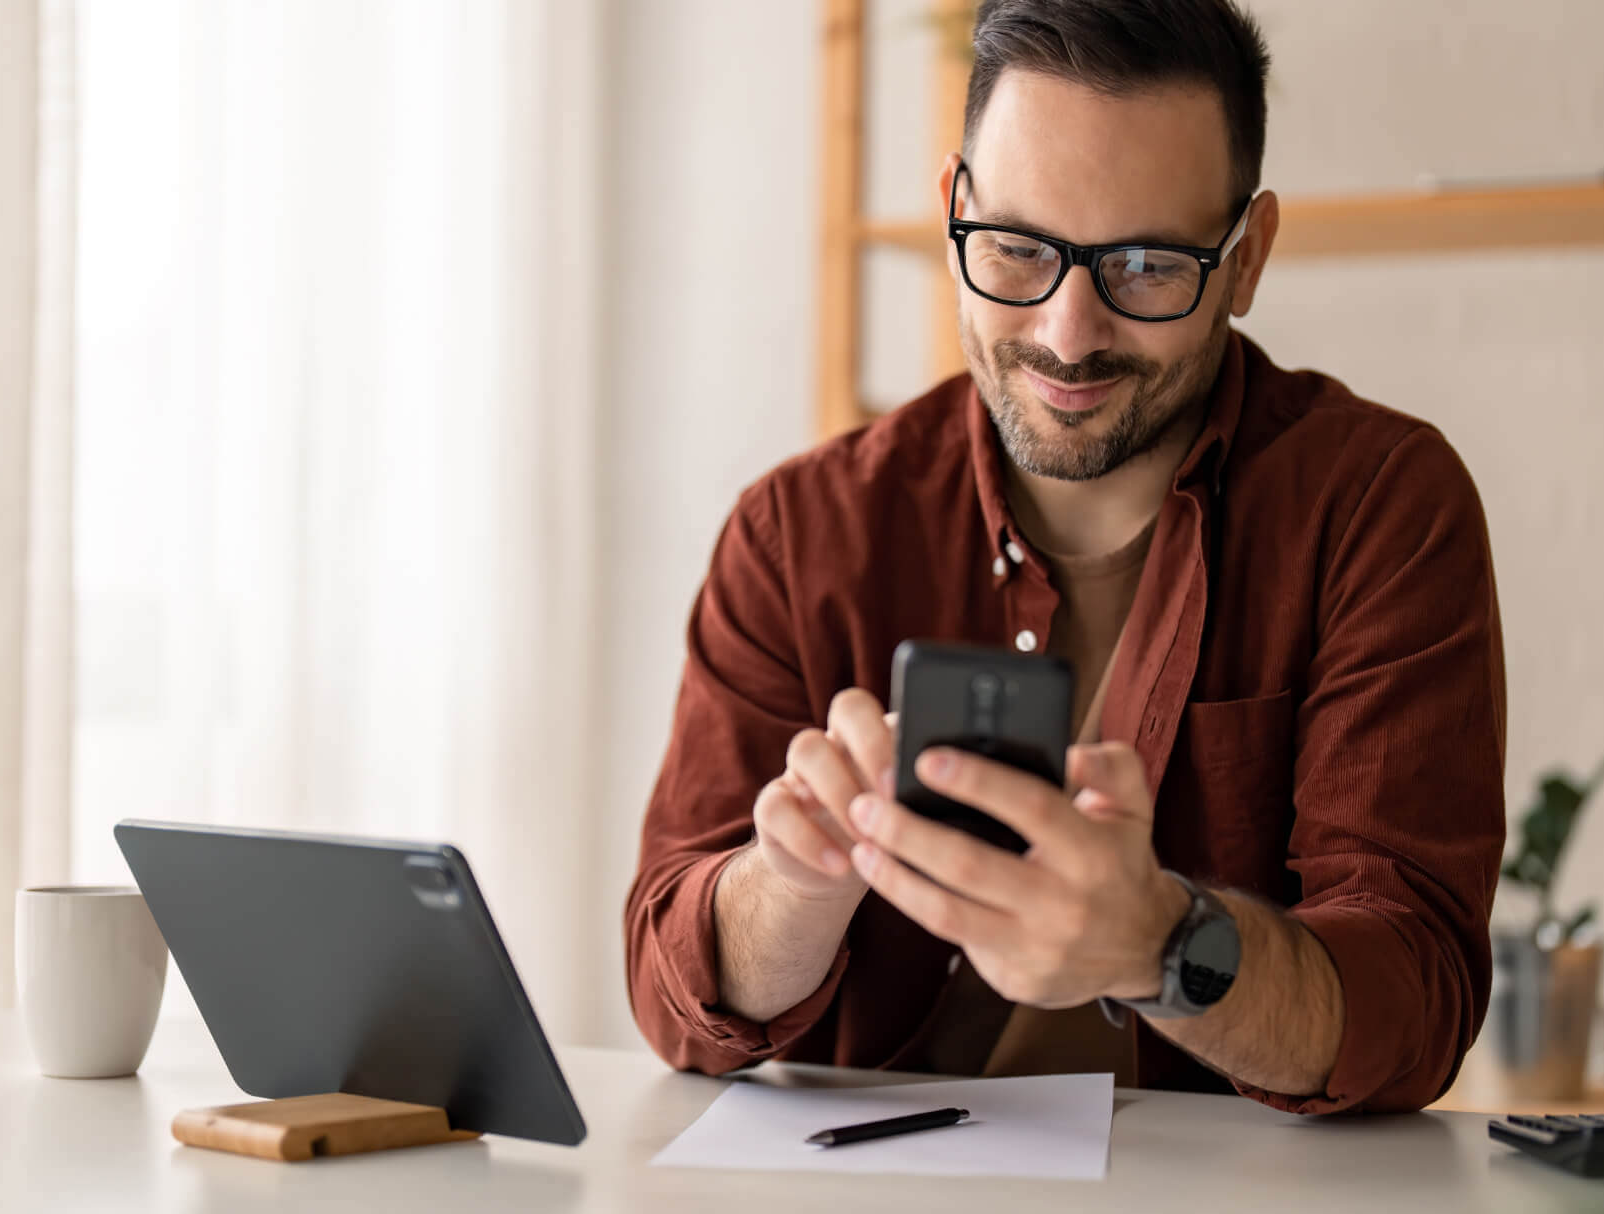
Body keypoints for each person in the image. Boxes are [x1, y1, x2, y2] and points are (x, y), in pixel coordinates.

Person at [624, 0, 1505, 1114]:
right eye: (1018, 248)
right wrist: (789, 889)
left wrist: (1166, 945)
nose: (1067, 331)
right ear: (954, 208)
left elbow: (1414, 1000)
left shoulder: (1378, 509)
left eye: (1145, 265)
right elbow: (669, 991)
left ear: (1248, 257)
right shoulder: (800, 534)